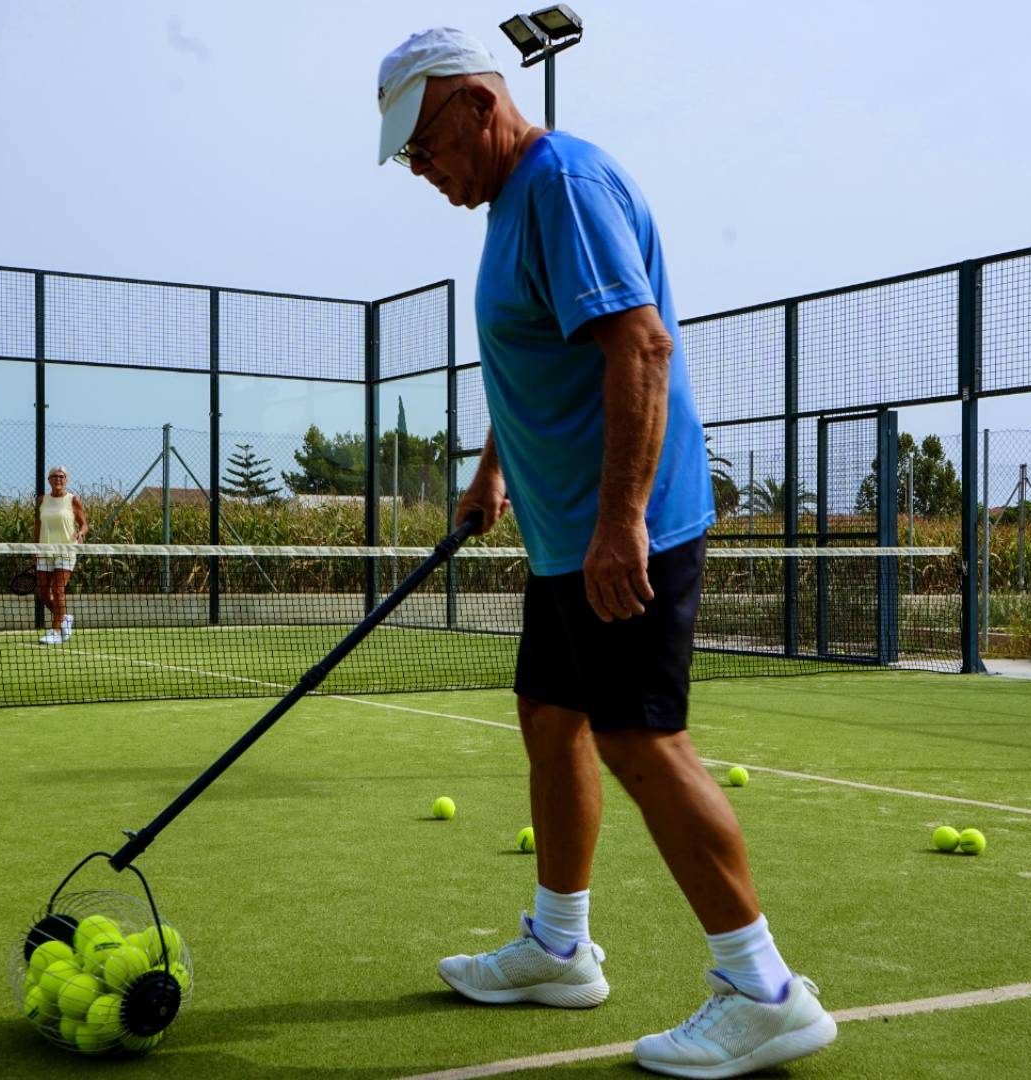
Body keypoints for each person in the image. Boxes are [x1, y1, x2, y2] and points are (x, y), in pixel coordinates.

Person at [375, 27, 838, 1079]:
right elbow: (539, 349)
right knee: (551, 721)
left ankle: (764, 990)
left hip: (625, 528)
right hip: (562, 537)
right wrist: (496, 469)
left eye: (424, 141)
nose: (419, 166)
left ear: (477, 107)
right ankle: (557, 945)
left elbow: (639, 344)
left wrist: (619, 522)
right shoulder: (512, 205)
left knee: (641, 741)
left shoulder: (562, 185)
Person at [33, 466, 86, 645]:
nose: (58, 479)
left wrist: (80, 533)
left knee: (58, 589)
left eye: (61, 476)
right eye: (54, 476)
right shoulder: (42, 500)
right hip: (44, 550)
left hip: (66, 550)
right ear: (49, 480)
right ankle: (64, 619)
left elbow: (84, 524)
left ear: (66, 480)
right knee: (42, 592)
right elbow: (38, 526)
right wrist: (34, 548)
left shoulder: (73, 500)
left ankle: (55, 631)